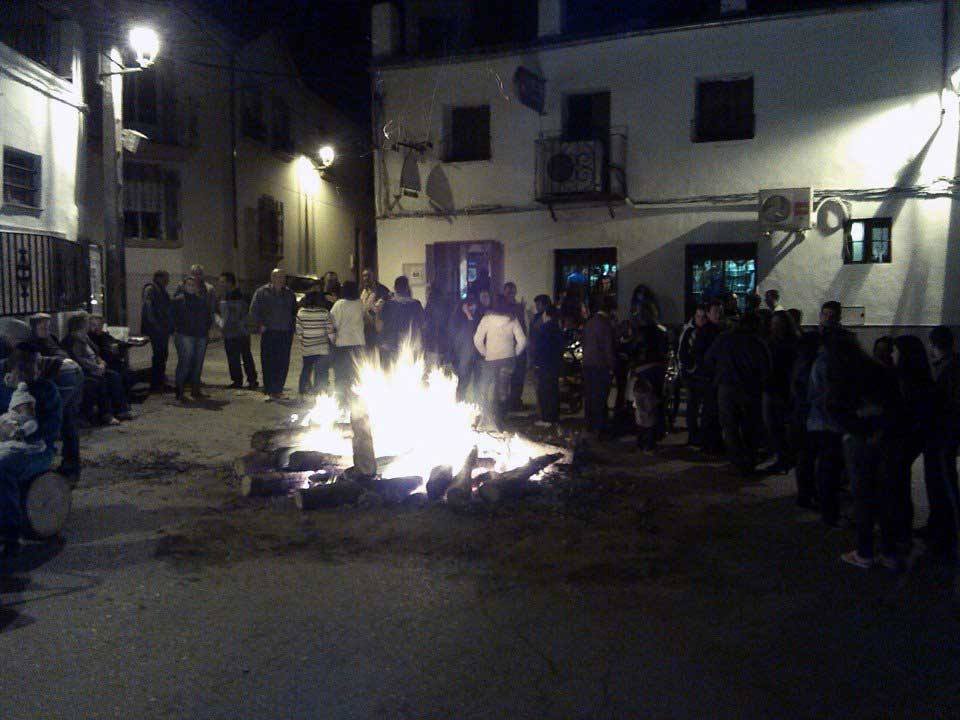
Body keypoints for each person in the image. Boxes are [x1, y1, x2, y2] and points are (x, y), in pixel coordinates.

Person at [0, 342, 62, 558]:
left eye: (36, 365)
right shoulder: (4, 389)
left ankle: (10, 534)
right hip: (6, 443)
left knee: (3, 470)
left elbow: (51, 427)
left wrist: (21, 432)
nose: (34, 370)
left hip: (36, 449)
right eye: (28, 366)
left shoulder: (46, 390)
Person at [704, 312, 771, 476]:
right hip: (750, 390)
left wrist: (719, 374)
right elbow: (766, 369)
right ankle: (749, 460)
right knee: (750, 426)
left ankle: (737, 461)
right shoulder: (758, 343)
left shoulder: (724, 339)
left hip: (726, 388)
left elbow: (708, 359)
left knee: (730, 427)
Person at [921, 326, 960, 565]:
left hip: (942, 434)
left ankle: (949, 533)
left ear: (933, 345)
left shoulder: (948, 370)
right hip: (943, 434)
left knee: (943, 482)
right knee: (938, 481)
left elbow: (949, 405)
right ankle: (939, 526)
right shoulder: (950, 366)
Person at [26, 314, 82, 479]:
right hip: (52, 385)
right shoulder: (31, 344)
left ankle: (69, 465)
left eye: (48, 326)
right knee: (57, 423)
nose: (46, 329)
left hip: (63, 382)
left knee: (67, 422)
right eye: (43, 326)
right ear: (35, 328)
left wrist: (63, 359)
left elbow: (59, 352)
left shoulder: (50, 339)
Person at [66, 312, 132, 424]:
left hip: (96, 366)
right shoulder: (73, 340)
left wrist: (101, 363)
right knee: (100, 381)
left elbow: (96, 353)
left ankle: (121, 409)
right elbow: (79, 359)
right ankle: (106, 414)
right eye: (87, 323)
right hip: (87, 370)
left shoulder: (85, 337)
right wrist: (95, 367)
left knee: (114, 376)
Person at [473, 296, 527, 430]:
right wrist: (515, 353)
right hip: (508, 359)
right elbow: (522, 340)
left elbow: (477, 339)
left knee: (487, 389)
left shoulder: (487, 319)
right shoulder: (512, 319)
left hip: (491, 359)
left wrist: (485, 352)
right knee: (503, 391)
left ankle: (489, 419)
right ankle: (501, 418)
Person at [250, 268, 297, 400]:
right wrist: (259, 324)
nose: (280, 280)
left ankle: (278, 389)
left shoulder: (289, 294)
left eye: (282, 277)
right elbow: (254, 310)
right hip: (269, 331)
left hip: (285, 332)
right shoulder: (262, 292)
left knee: (282, 361)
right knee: (268, 360)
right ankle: (269, 389)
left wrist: (291, 327)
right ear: (272, 278)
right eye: (277, 277)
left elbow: (294, 312)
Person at [763, 310, 800, 473]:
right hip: (772, 387)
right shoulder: (772, 341)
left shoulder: (790, 344)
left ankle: (784, 458)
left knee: (777, 425)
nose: (774, 327)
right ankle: (782, 456)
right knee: (774, 425)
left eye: (777, 324)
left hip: (783, 389)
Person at [631, 301, 669, 441]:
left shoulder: (639, 332)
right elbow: (665, 349)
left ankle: (645, 437)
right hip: (658, 368)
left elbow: (634, 351)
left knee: (643, 404)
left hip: (643, 369)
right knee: (656, 401)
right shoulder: (661, 331)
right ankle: (656, 433)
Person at [171, 275, 213, 401]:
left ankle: (195, 389)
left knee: (198, 363)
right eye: (188, 285)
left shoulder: (201, 301)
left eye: (193, 285)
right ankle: (179, 390)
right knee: (185, 362)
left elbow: (207, 317)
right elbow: (171, 317)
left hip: (200, 335)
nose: (191, 287)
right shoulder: (178, 301)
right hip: (184, 335)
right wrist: (174, 331)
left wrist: (207, 329)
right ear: (184, 286)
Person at [581, 298, 616, 438]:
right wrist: (612, 366)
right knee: (601, 398)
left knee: (590, 396)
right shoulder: (605, 324)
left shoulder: (589, 322)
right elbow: (608, 347)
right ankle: (600, 428)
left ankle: (589, 425)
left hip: (588, 364)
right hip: (601, 365)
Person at [692, 299, 724, 453]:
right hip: (709, 376)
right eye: (716, 312)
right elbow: (698, 354)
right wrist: (706, 372)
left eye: (720, 311)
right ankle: (708, 442)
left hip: (716, 376)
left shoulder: (719, 330)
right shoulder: (706, 331)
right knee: (709, 410)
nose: (719, 315)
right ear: (709, 314)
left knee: (715, 410)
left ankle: (713, 441)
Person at [216, 272, 258, 390]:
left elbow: (247, 314)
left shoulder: (242, 295)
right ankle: (238, 380)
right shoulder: (224, 296)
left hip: (241, 332)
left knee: (245, 357)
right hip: (229, 332)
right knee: (233, 358)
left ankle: (252, 380)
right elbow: (218, 313)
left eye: (223, 282)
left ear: (230, 282)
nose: (220, 284)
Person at [329, 281, 366, 405]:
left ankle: (342, 400)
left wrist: (332, 338)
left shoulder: (339, 305)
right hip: (358, 343)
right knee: (355, 373)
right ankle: (355, 400)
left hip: (342, 344)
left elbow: (332, 323)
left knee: (341, 374)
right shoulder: (359, 303)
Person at [296, 289, 334, 399]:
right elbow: (329, 330)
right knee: (321, 371)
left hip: (307, 347)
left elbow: (299, 331)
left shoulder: (301, 312)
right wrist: (333, 341)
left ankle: (301, 394)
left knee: (306, 370)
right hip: (322, 347)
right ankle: (320, 394)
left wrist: (304, 341)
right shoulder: (324, 312)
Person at [379, 275, 424, 365]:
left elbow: (380, 326)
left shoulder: (388, 304)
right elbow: (421, 324)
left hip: (391, 342)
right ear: (407, 288)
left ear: (395, 288)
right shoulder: (416, 304)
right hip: (411, 341)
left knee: (392, 371)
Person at [678, 305, 707, 445]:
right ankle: (692, 433)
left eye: (703, 317)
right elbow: (682, 352)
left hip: (702, 373)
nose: (700, 320)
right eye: (698, 317)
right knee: (693, 404)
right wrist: (690, 367)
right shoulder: (689, 331)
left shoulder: (706, 332)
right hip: (691, 374)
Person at [141, 270, 174, 391]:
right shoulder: (151, 289)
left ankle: (159, 379)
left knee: (162, 354)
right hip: (156, 328)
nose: (168, 281)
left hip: (161, 327)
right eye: (166, 278)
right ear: (159, 278)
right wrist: (154, 323)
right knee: (159, 354)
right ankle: (156, 382)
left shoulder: (159, 289)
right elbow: (148, 307)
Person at [532, 304, 564, 426]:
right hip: (554, 365)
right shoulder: (557, 328)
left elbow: (540, 348)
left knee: (545, 391)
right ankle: (554, 417)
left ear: (546, 314)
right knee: (553, 390)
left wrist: (536, 363)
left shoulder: (544, 329)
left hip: (545, 365)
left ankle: (546, 418)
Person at [0, 382, 46, 459]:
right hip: (3, 439)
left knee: (14, 448)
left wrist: (22, 431)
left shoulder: (30, 421)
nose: (31, 411)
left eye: (32, 408)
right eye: (27, 408)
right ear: (16, 407)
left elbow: (31, 426)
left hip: (15, 441)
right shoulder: (6, 416)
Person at [501, 282, 528, 411]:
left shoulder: (518, 307)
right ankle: (508, 402)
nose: (511, 295)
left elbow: (523, 327)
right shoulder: (503, 308)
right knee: (508, 376)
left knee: (517, 376)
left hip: (518, 347)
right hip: (508, 347)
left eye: (512, 293)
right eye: (509, 293)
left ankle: (514, 401)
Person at [449, 293, 481, 402]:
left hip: (474, 356)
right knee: (462, 383)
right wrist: (468, 315)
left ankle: (477, 406)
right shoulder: (457, 319)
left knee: (477, 384)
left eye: (474, 305)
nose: (474, 308)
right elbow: (467, 332)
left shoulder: (475, 318)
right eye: (471, 305)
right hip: (463, 356)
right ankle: (459, 403)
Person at [87, 314, 125, 379]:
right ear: (88, 326)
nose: (97, 327)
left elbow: (117, 341)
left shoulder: (104, 335)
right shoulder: (88, 338)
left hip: (113, 362)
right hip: (102, 364)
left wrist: (117, 345)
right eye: (93, 325)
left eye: (99, 325)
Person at [360, 267, 390, 348]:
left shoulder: (382, 290)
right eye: (364, 276)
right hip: (364, 329)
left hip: (377, 329)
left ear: (374, 276)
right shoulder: (362, 290)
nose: (365, 278)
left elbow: (379, 309)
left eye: (368, 276)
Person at [629, 375, 660, 451]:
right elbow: (651, 405)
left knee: (641, 432)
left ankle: (640, 445)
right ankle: (647, 446)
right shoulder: (648, 396)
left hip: (640, 418)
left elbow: (636, 406)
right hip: (648, 417)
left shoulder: (637, 396)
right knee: (648, 433)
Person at [422, 284, 450, 367]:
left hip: (432, 343)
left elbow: (424, 324)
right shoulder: (447, 306)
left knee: (432, 370)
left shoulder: (429, 307)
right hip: (445, 343)